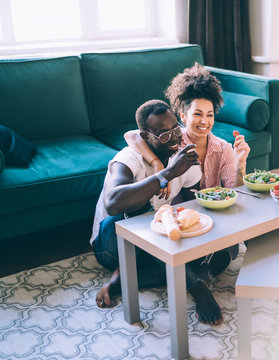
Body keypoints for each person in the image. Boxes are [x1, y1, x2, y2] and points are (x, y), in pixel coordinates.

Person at [124, 63, 250, 325]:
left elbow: (234, 193)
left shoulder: (223, 148)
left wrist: (240, 162)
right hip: (178, 228)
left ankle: (180, 274)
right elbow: (132, 135)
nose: (204, 121)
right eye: (197, 114)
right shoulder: (171, 140)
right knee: (167, 246)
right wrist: (158, 164)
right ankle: (198, 284)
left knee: (232, 248)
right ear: (182, 114)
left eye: (210, 114)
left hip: (210, 225)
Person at [91, 99, 201, 309]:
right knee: (143, 213)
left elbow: (193, 207)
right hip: (112, 246)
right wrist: (167, 173)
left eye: (176, 129)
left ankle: (119, 282)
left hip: (149, 244)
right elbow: (113, 204)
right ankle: (196, 287)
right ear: (145, 137)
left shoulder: (183, 157)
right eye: (164, 134)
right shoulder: (128, 159)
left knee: (212, 256)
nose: (174, 138)